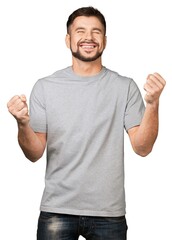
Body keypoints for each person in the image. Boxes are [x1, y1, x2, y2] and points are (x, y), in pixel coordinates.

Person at [7, 6, 166, 240]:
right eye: (80, 31)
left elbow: (142, 148)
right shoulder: (45, 87)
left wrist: (153, 105)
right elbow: (34, 153)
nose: (89, 37)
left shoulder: (124, 87)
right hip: (57, 209)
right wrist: (22, 123)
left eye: (96, 32)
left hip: (109, 213)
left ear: (105, 40)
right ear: (68, 39)